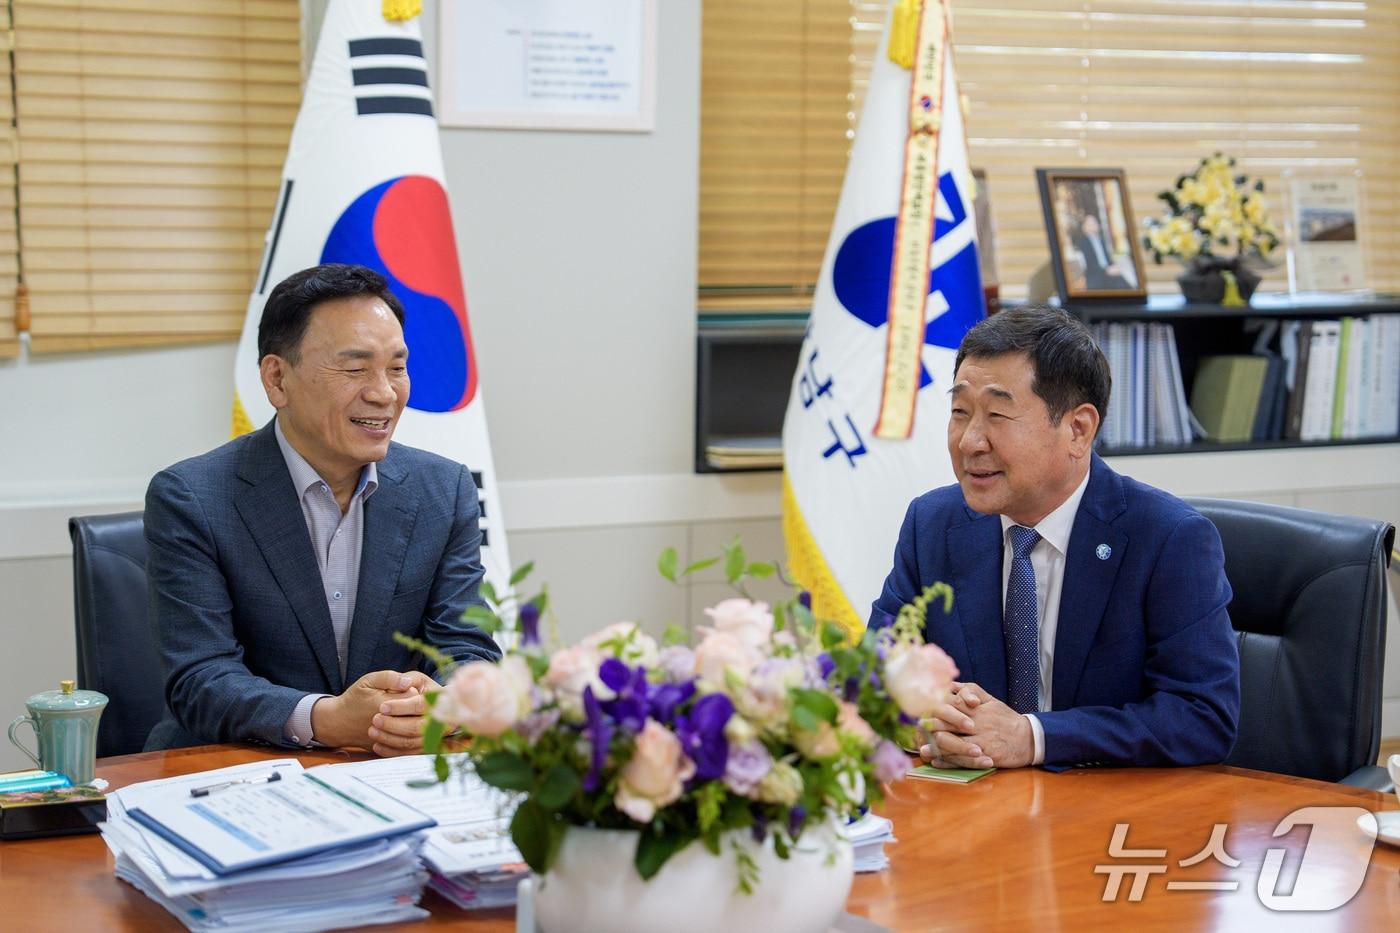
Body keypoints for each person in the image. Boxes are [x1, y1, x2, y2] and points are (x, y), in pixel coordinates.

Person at [144, 263, 500, 755]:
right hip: (239, 767)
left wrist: (445, 705)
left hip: (394, 768)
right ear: (277, 379)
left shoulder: (444, 488)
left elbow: (466, 645)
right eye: (355, 368)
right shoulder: (193, 497)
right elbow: (201, 678)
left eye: (396, 367)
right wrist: (327, 719)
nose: (383, 392)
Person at [870, 306, 1239, 770]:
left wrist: (1034, 738)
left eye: (998, 415)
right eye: (960, 412)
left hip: (1107, 819)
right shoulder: (933, 524)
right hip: (974, 816)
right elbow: (877, 673)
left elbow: (1203, 717)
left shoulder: (1168, 539)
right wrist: (926, 721)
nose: (969, 442)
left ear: (1078, 430)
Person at [1070, 213, 1133, 290]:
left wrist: (1114, 266)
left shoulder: (1101, 240)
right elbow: (1089, 264)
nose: (1094, 225)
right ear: (1084, 227)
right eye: (1090, 224)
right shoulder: (1083, 242)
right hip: (1096, 274)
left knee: (1125, 284)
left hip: (1107, 272)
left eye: (1094, 223)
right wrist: (1106, 270)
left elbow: (1107, 259)